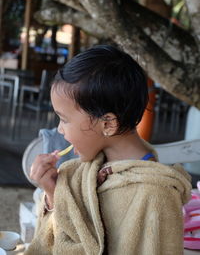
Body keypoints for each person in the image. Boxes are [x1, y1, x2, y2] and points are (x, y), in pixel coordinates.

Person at [25, 45, 191, 255]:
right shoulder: (79, 173)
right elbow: (62, 239)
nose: (59, 129)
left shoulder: (155, 195)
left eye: (64, 119)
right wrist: (53, 194)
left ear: (107, 124)